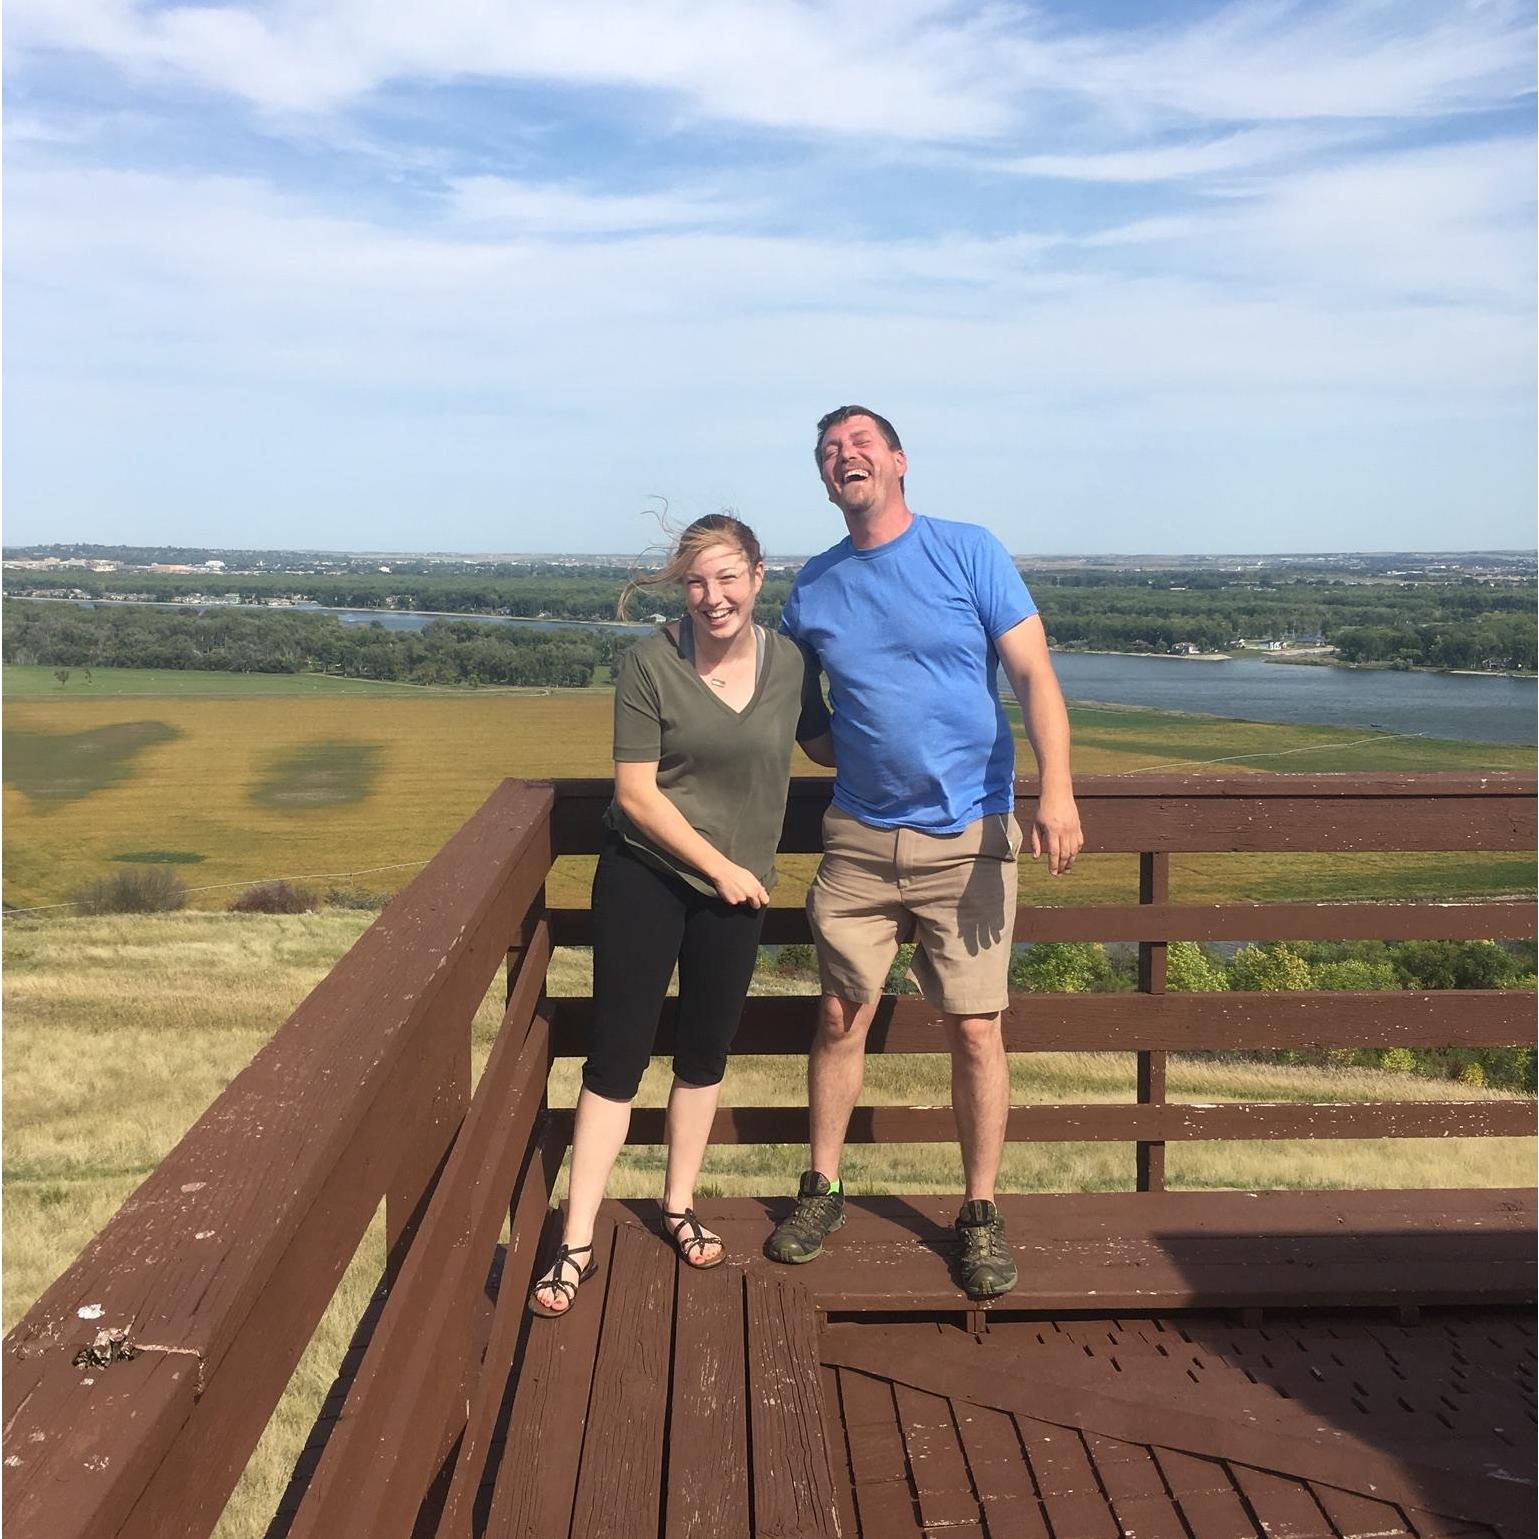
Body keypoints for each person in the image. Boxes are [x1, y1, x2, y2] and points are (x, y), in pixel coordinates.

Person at [767, 406, 1084, 1301]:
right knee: (839, 1015)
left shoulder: (967, 550)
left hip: (971, 834)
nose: (844, 457)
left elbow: (1032, 675)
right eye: (829, 452)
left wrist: (1054, 790)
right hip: (860, 837)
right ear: (824, 480)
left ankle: (978, 1210)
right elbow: (807, 722)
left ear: (898, 461)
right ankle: (822, 1187)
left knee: (976, 1028)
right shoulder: (812, 590)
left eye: (861, 444)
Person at [529, 513, 834, 1317]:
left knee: (703, 1055)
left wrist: (920, 731)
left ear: (758, 577)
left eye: (728, 576)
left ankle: (677, 1206)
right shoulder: (648, 662)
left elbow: (828, 743)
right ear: (681, 584)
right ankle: (576, 1241)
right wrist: (721, 866)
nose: (713, 595)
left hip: (738, 893)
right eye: (697, 580)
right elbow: (634, 792)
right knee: (615, 1061)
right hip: (649, 877)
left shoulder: (790, 664)